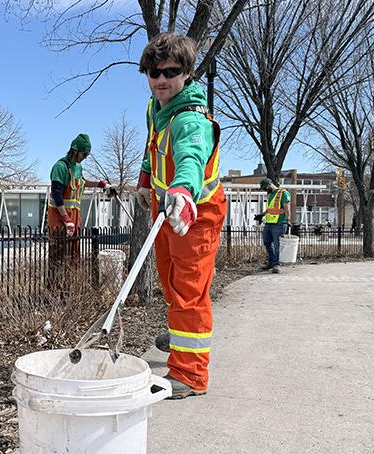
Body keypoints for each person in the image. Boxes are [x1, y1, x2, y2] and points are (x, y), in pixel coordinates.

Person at [135, 33, 226, 399]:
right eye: (153, 72)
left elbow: (190, 158)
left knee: (189, 291)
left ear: (186, 73)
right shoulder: (155, 108)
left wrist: (182, 192)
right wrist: (145, 180)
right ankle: (180, 337)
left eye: (170, 72)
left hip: (195, 212)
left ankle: (189, 375)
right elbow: (152, 146)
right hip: (167, 207)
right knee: (171, 280)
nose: (160, 80)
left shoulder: (191, 119)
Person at [47, 133, 111, 265]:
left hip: (74, 219)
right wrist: (66, 219)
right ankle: (56, 286)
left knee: (73, 257)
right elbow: (56, 194)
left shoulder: (78, 167)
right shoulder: (61, 167)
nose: (85, 158)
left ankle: (71, 284)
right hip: (60, 219)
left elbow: (82, 182)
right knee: (59, 257)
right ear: (75, 151)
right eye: (84, 154)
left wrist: (101, 184)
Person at [260, 177, 291, 273]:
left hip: (279, 223)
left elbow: (287, 208)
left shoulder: (283, 193)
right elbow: (270, 209)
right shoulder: (270, 195)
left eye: (265, 188)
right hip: (269, 223)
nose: (265, 190)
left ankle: (277, 265)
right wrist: (261, 215)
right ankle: (272, 262)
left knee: (277, 245)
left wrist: (288, 220)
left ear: (269, 184)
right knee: (267, 242)